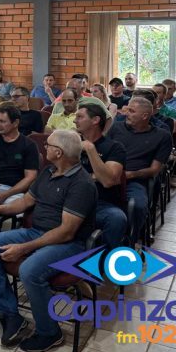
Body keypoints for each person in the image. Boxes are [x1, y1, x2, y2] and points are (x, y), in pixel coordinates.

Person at [0, 129, 97, 352]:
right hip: (38, 232)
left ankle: (50, 332)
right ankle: (11, 314)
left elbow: (66, 232)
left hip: (69, 244)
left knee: (30, 270)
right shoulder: (49, 171)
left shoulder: (81, 184)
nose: (44, 148)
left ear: (59, 152)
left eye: (48, 145)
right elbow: (25, 202)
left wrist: (24, 248)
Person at [107, 96, 172, 244]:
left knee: (137, 205)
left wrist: (130, 175)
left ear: (144, 116)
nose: (126, 113)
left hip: (134, 180)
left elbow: (155, 170)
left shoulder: (161, 136)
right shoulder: (116, 128)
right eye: (127, 109)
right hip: (109, 175)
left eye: (131, 111)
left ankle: (132, 241)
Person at [75, 103, 127, 250]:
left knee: (116, 219)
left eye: (80, 117)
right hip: (70, 199)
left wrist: (91, 149)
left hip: (100, 203)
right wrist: (93, 175)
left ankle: (105, 262)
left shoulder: (114, 147)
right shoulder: (72, 144)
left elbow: (108, 180)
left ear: (95, 120)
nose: (75, 121)